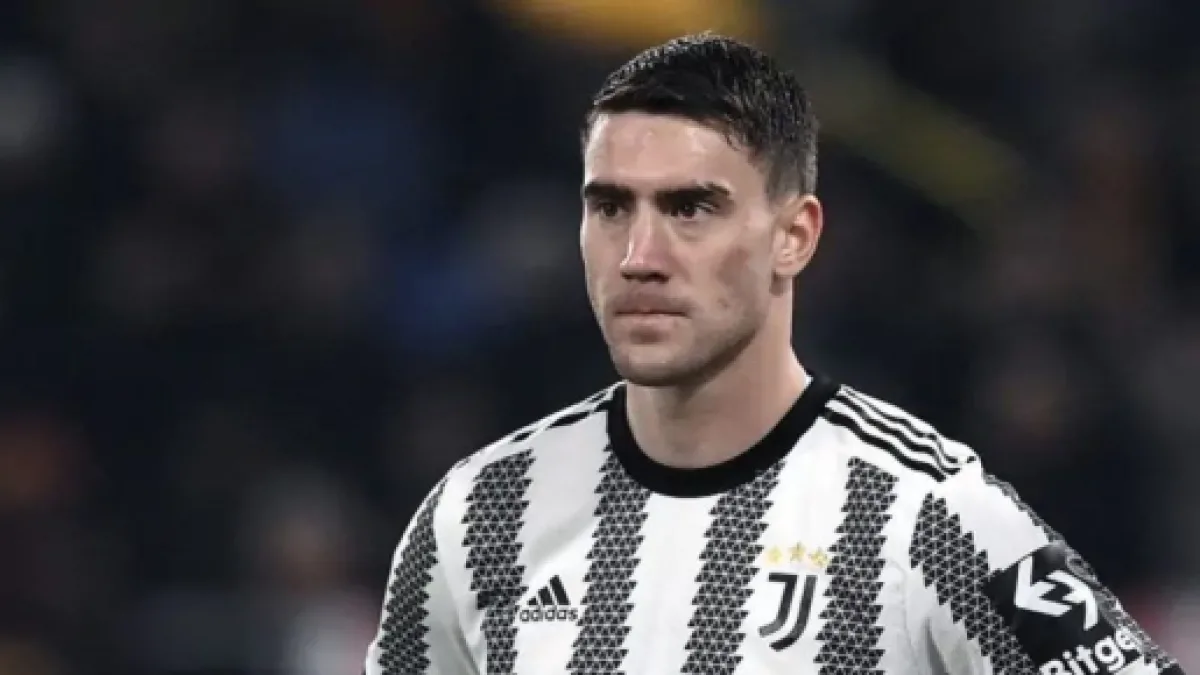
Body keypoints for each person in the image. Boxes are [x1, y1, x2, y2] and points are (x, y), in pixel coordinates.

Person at [363, 33, 1184, 675]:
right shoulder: (480, 512)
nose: (639, 255)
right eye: (610, 207)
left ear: (794, 235)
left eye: (690, 208)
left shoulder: (926, 515)